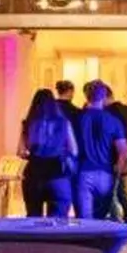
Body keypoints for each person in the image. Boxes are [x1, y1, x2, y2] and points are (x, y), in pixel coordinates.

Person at [74, 80, 127, 222]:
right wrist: (117, 173)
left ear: (87, 96)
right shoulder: (114, 120)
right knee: (100, 220)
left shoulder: (78, 118)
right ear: (104, 96)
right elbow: (123, 152)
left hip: (83, 174)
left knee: (85, 222)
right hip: (106, 175)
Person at [18, 88, 78, 218]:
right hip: (57, 174)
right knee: (58, 219)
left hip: (34, 173)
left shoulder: (27, 123)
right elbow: (74, 150)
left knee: (33, 216)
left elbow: (21, 152)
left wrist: (33, 152)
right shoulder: (64, 123)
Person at [106, 90, 127, 224]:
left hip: (112, 156)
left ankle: (117, 222)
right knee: (122, 192)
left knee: (110, 193)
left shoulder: (108, 113)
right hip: (125, 155)